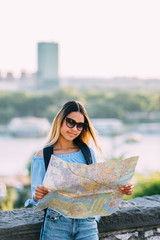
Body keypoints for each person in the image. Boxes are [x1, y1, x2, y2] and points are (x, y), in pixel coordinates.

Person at [25, 100, 134, 240]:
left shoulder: (87, 152)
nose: (74, 129)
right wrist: (37, 196)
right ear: (60, 120)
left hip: (87, 223)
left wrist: (122, 188)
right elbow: (35, 198)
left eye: (80, 125)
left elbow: (98, 188)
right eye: (70, 122)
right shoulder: (43, 156)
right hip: (56, 224)